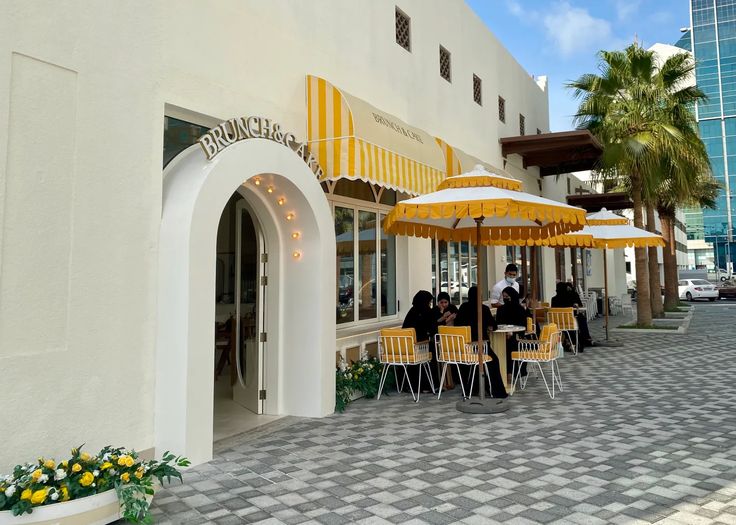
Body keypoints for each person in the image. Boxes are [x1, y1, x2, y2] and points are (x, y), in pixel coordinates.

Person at [455, 286, 508, 398]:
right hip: (481, 346)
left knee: (474, 364)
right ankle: (495, 390)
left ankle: (472, 388)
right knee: (493, 361)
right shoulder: (483, 308)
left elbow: (457, 325)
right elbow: (493, 325)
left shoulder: (463, 307)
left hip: (465, 347)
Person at [402, 290, 438, 392]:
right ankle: (428, 385)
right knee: (433, 351)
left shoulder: (411, 312)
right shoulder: (427, 312)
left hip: (406, 348)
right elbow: (433, 330)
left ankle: (409, 385)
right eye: (429, 302)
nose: (430, 305)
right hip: (420, 348)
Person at [495, 286, 532, 380]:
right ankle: (505, 372)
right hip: (502, 335)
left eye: (507, 296)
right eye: (503, 296)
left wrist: (512, 332)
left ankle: (511, 372)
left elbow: (523, 325)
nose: (505, 298)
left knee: (512, 345)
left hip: (517, 336)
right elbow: (498, 323)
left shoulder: (520, 309)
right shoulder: (500, 309)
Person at [551, 281, 594, 350]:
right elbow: (577, 307)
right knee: (581, 318)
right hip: (569, 323)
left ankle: (571, 342)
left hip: (556, 323)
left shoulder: (553, 299)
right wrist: (573, 291)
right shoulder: (569, 298)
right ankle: (585, 338)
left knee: (579, 319)